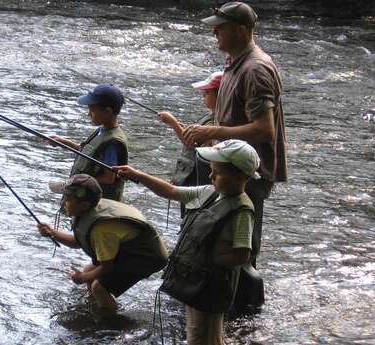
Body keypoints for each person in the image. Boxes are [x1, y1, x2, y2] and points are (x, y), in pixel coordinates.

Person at [114, 139, 259, 345]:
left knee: (206, 335)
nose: (211, 176)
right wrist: (138, 175)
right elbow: (171, 192)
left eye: (218, 172)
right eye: (211, 170)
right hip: (194, 281)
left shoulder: (242, 210)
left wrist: (211, 259)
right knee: (197, 330)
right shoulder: (209, 192)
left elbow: (242, 254)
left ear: (241, 176)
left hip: (212, 287)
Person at [183, 2, 287, 271]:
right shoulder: (235, 63)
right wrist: (211, 138)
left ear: (241, 30)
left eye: (220, 28)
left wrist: (212, 131)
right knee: (224, 240)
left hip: (248, 172)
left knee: (241, 250)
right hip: (229, 166)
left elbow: (265, 129)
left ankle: (243, 306)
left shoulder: (255, 69)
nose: (214, 33)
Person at [37, 174, 168, 316]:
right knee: (89, 271)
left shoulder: (101, 230)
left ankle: (110, 321)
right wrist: (52, 232)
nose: (63, 203)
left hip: (147, 257)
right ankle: (95, 307)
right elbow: (78, 242)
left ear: (84, 205)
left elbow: (107, 267)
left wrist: (81, 278)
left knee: (98, 287)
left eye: (68, 199)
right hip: (132, 247)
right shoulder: (90, 209)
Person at [157, 71, 223, 216]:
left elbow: (191, 143)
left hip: (198, 179)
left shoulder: (215, 122)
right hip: (191, 176)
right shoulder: (210, 116)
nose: (203, 96)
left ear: (221, 97)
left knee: (191, 213)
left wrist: (173, 123)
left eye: (206, 93)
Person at [51, 84, 128, 201]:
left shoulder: (112, 143)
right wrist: (63, 142)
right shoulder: (102, 131)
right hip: (84, 200)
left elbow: (109, 178)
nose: (88, 114)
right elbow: (87, 152)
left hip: (96, 204)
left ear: (107, 111)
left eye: (92, 110)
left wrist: (74, 183)